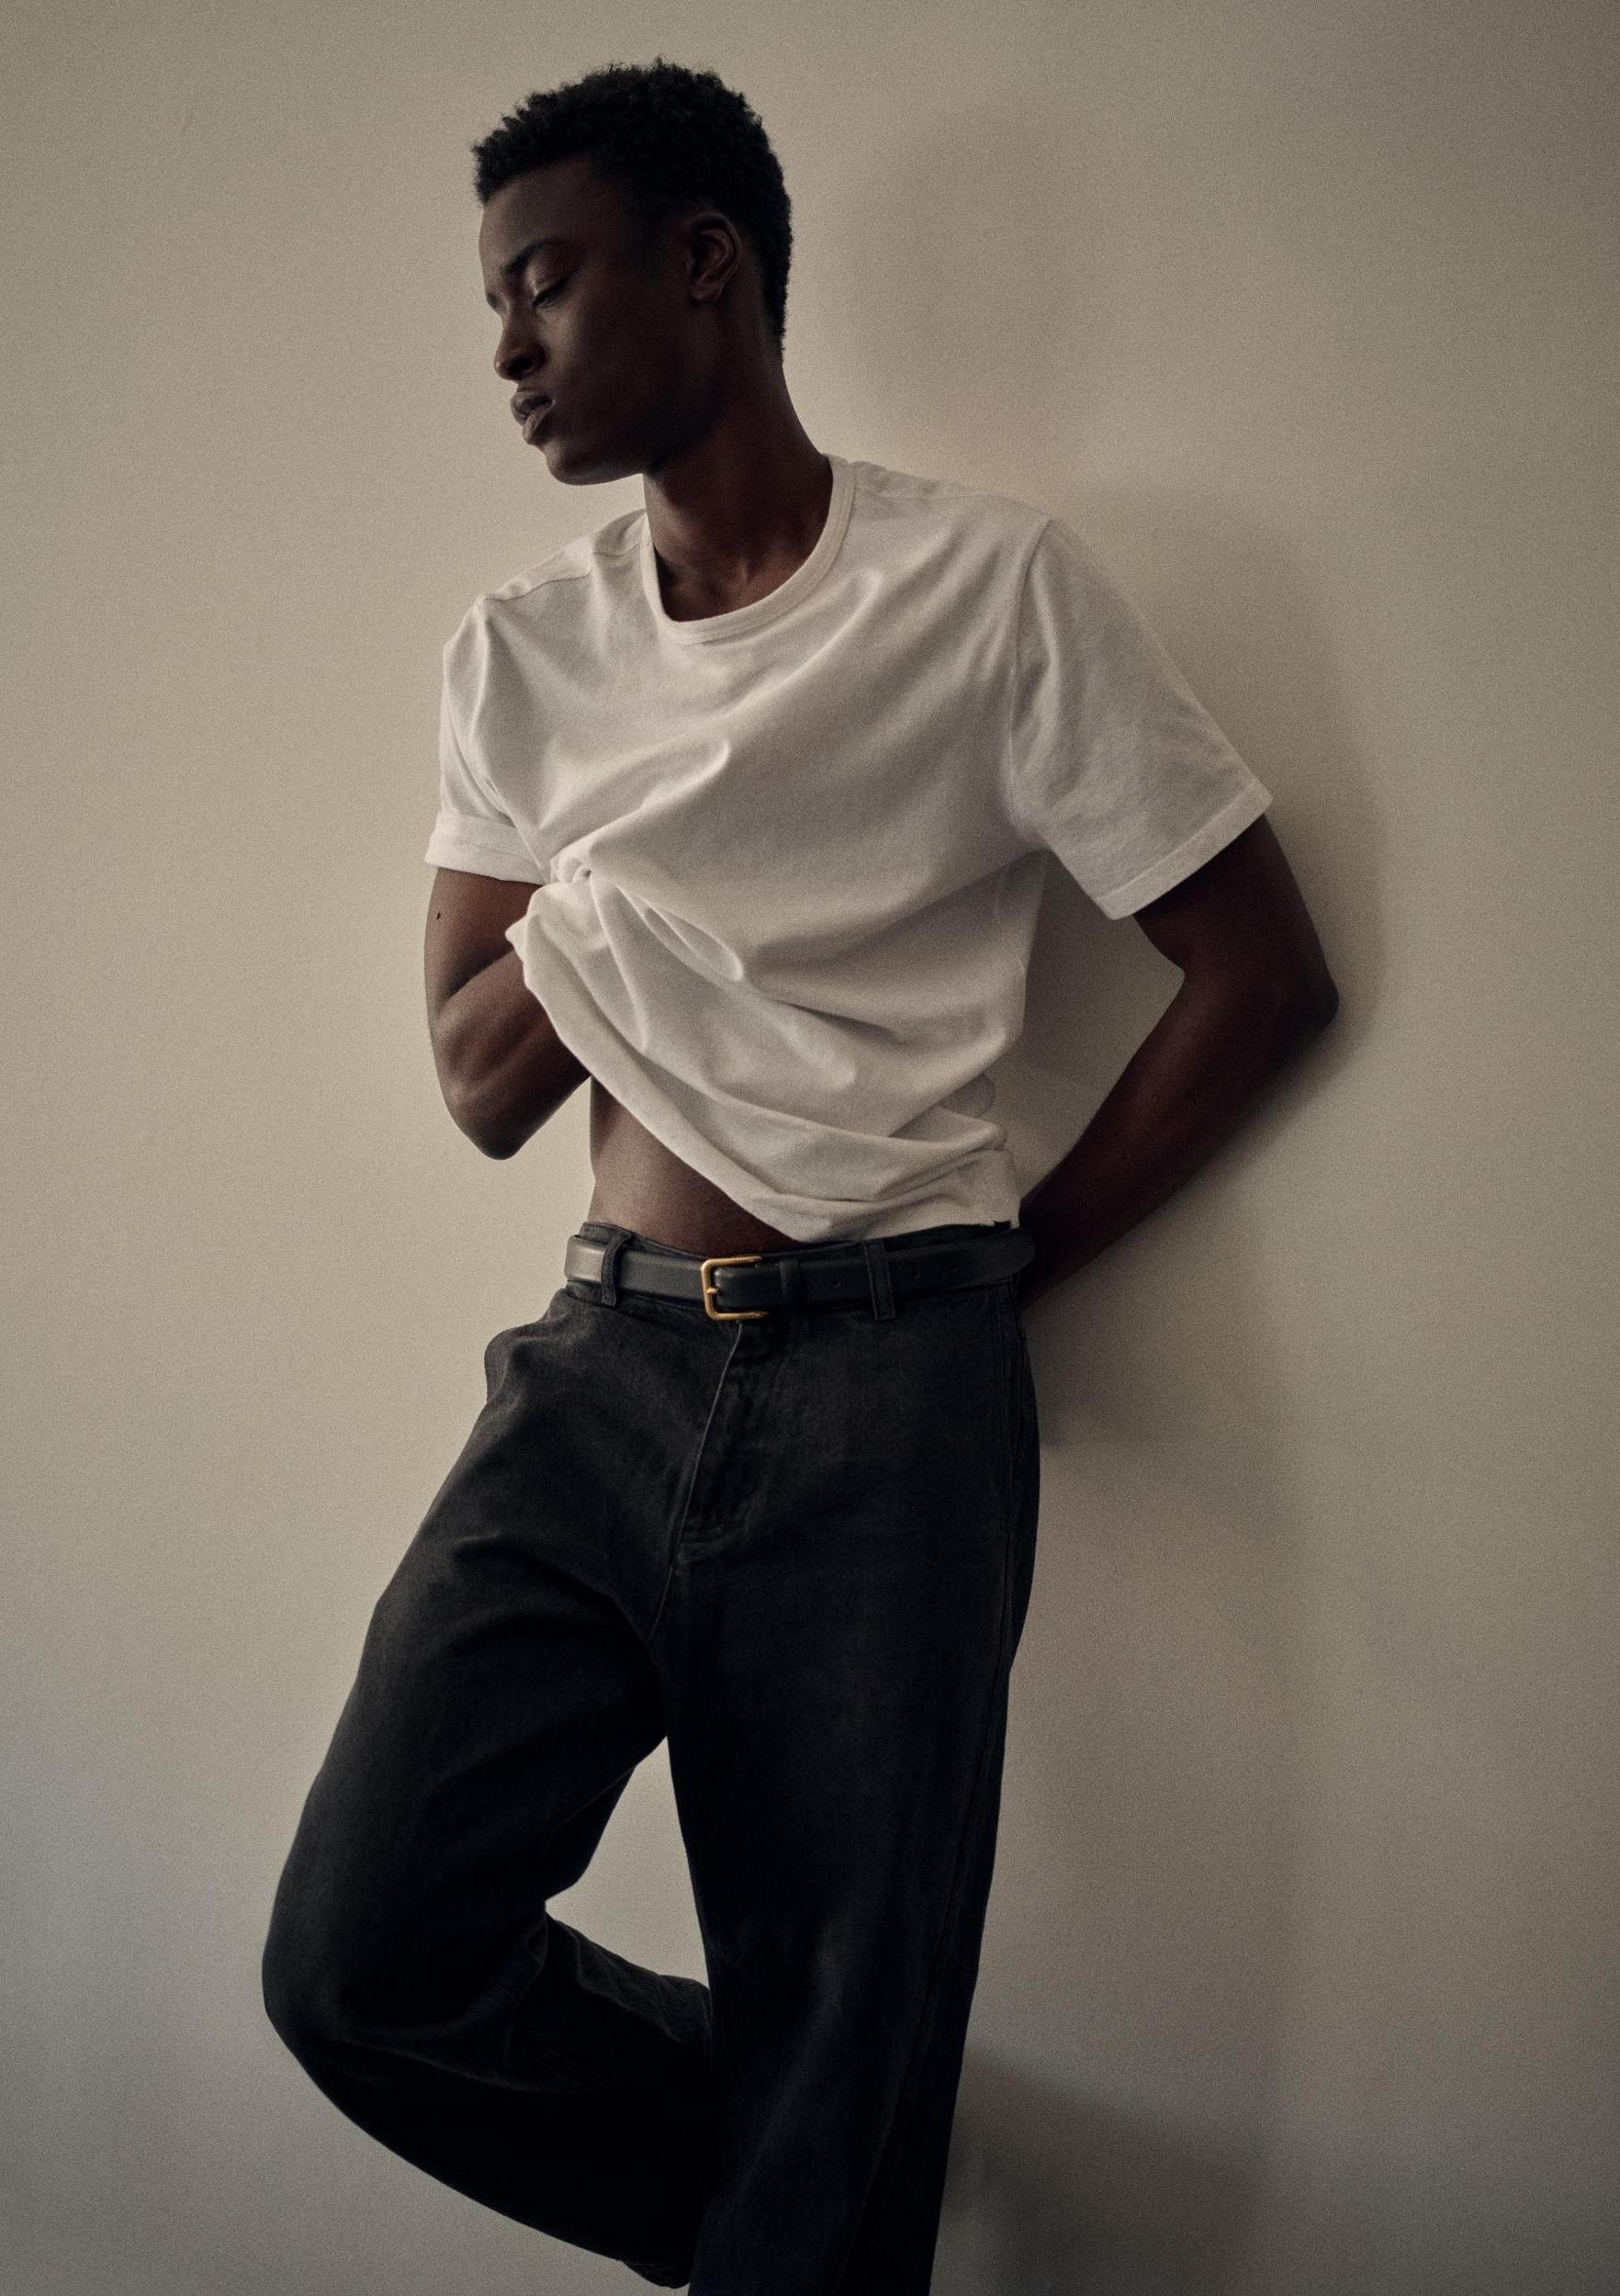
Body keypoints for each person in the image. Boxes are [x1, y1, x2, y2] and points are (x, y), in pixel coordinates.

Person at [260, 56, 1339, 2296]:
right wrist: (625, 888)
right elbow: (471, 1081)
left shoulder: (989, 590)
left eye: (542, 282)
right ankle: (820, 2182)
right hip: (598, 1372)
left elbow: (1256, 969)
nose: (505, 348)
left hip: (891, 1393)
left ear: (706, 265)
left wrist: (1010, 1261)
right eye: (491, 302)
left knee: (847, 2022)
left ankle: (831, 2178)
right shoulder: (523, 654)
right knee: (362, 1955)